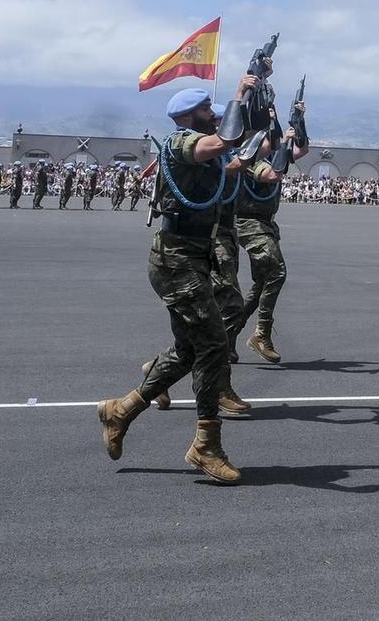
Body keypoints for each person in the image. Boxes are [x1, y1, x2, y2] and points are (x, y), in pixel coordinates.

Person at [95, 77, 266, 486]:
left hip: (191, 259)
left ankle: (121, 410)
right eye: (208, 108)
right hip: (176, 261)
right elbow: (223, 143)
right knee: (212, 345)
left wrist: (260, 104)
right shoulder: (180, 143)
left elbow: (237, 147)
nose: (214, 113)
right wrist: (240, 96)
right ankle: (205, 445)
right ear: (190, 117)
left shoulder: (204, 150)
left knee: (190, 349)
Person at [236, 91, 308, 363]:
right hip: (248, 223)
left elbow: (302, 150)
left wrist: (299, 122)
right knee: (277, 273)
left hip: (265, 224)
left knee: (261, 284)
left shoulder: (270, 152)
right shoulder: (248, 155)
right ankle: (261, 334)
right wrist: (283, 143)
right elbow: (272, 175)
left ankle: (226, 336)